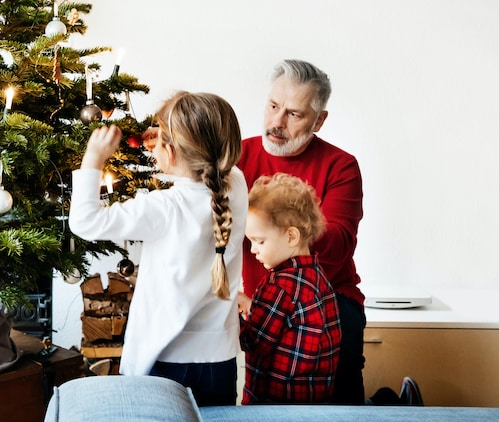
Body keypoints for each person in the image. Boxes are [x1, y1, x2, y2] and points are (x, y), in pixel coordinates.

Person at [69, 91, 248, 406]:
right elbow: (207, 155)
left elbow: (84, 222)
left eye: (160, 138)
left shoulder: (164, 208)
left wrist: (94, 158)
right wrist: (170, 138)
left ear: (174, 151)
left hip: (165, 360)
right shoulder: (236, 186)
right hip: (219, 360)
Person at [236, 59, 365, 404]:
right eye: (274, 107)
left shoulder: (341, 166)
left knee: (338, 389)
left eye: (294, 114)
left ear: (319, 121)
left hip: (329, 298)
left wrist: (285, 219)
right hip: (259, 297)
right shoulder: (235, 157)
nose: (277, 123)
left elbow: (337, 248)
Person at [240, 173, 342, 404]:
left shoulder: (279, 287)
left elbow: (254, 341)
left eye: (260, 241)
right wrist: (251, 305)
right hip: (314, 397)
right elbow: (286, 320)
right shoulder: (316, 276)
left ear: (291, 236)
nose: (253, 249)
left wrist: (226, 313)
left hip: (276, 402)